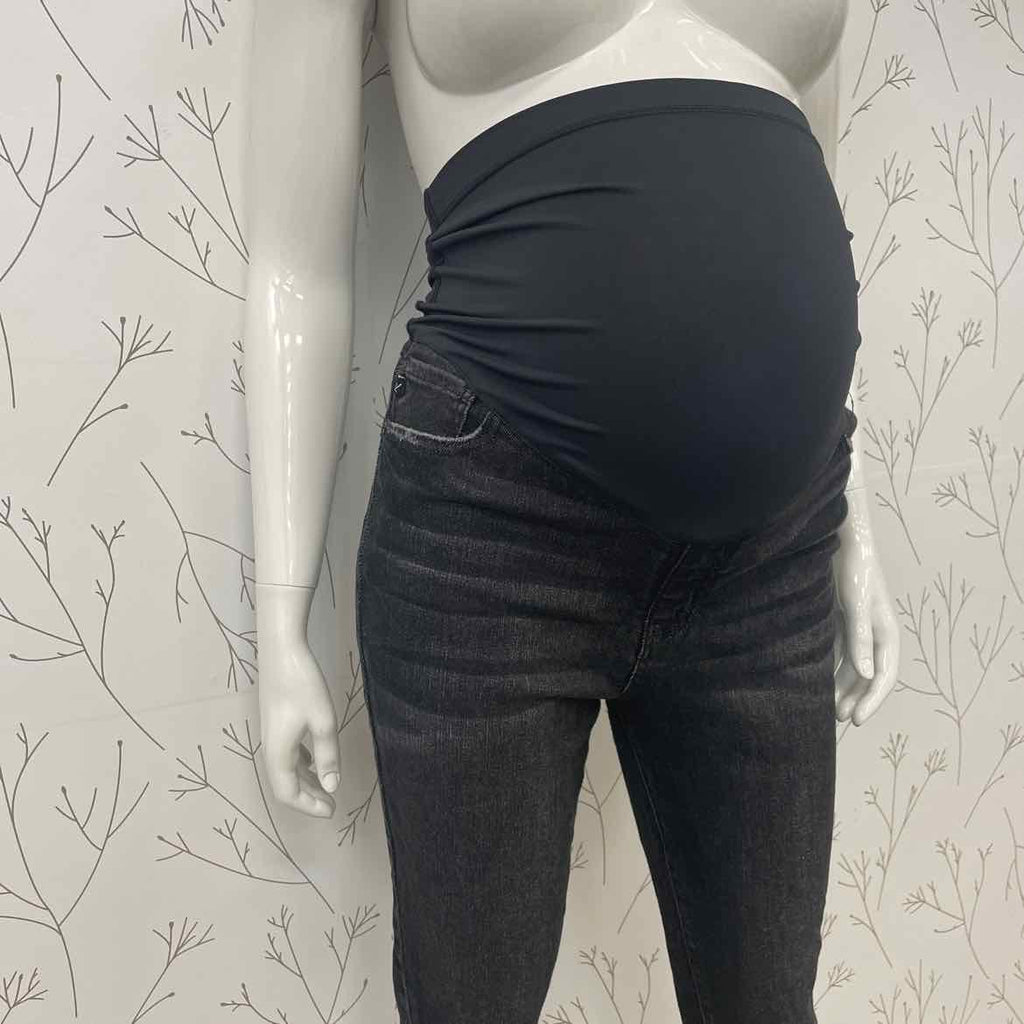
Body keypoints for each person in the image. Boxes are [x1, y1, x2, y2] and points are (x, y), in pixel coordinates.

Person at [242, 2, 901, 1021]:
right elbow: (294, 265)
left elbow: (807, 190)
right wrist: (280, 618)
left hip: (774, 554)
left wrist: (855, 515)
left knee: (769, 1003)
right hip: (496, 545)